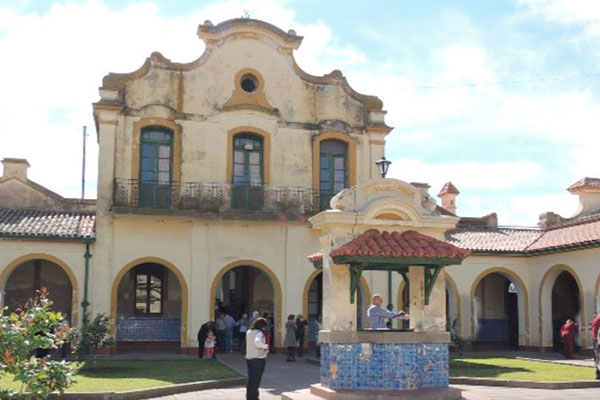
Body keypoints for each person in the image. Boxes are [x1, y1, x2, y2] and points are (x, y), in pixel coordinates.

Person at [246, 317, 269, 400]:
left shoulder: (249, 332)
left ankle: (249, 396)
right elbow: (257, 342)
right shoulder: (259, 333)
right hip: (258, 359)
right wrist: (265, 346)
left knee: (251, 379)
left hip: (249, 358)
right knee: (256, 380)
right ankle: (254, 397)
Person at [591, 313, 600, 379]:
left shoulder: (596, 319)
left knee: (597, 359)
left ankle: (598, 374)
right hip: (598, 341)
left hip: (595, 340)